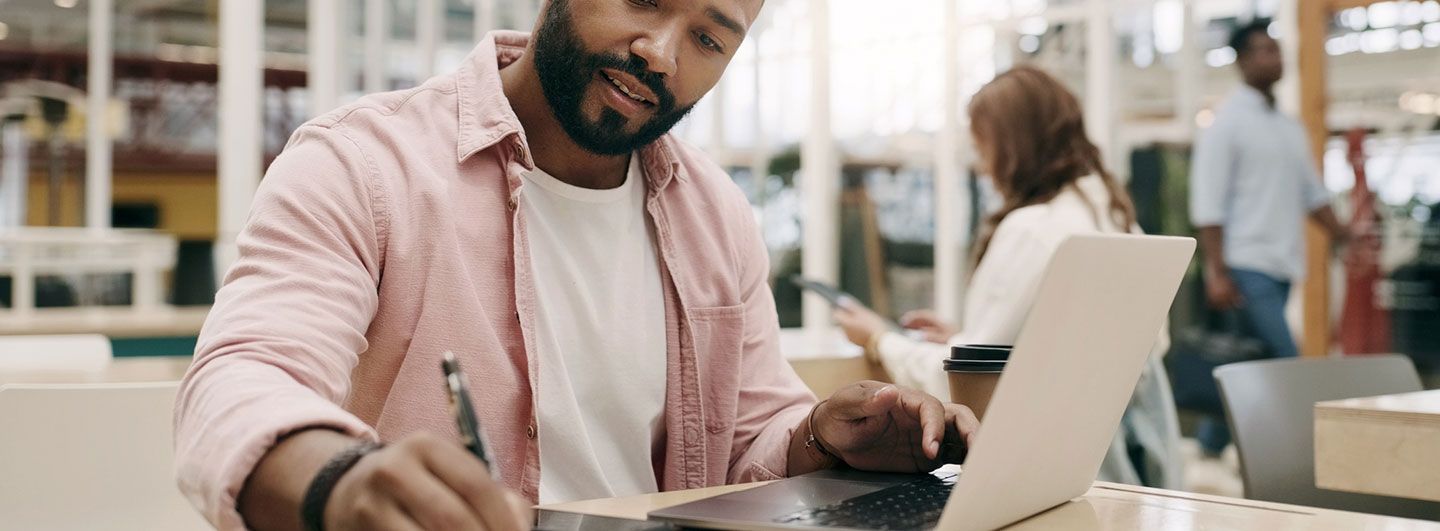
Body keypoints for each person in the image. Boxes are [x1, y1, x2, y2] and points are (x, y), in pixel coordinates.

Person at [172, 1, 979, 530]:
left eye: (706, 37)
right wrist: (340, 482)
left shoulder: (715, 215)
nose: (660, 54)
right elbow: (243, 379)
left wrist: (822, 438)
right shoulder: (363, 163)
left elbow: (748, 447)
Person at [834, 66, 1184, 489]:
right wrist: (964, 336)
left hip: (1037, 471)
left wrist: (878, 338)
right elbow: (1112, 348)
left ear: (1012, 145)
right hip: (1118, 466)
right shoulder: (1112, 215)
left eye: (983, 147)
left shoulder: (1031, 229)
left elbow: (974, 389)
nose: (982, 166)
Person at [1188, 20, 1351, 456]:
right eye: (1263, 51)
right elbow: (1208, 205)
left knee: (1249, 361)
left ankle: (1208, 444)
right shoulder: (1226, 125)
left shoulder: (1287, 127)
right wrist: (1216, 273)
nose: (1274, 58)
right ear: (1241, 61)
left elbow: (1311, 193)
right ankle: (1302, 456)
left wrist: (1342, 234)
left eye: (1276, 49)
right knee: (1285, 361)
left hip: (1282, 265)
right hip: (1245, 266)